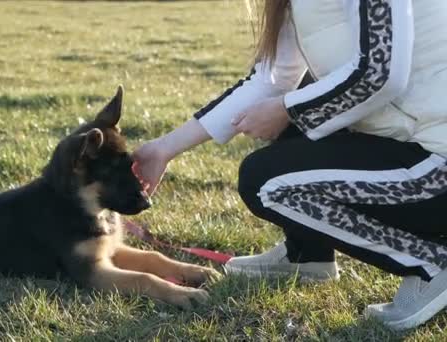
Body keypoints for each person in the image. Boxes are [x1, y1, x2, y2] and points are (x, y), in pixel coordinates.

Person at [133, 0, 447, 331]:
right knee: (301, 108)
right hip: (416, 144)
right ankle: (307, 256)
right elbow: (272, 79)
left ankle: (432, 262)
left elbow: (381, 72)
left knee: (266, 182)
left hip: (438, 163)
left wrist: (288, 110)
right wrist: (162, 149)